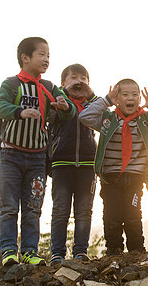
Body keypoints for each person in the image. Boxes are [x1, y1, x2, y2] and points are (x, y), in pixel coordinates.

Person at [0, 37, 76, 266]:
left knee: (33, 207)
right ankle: (9, 251)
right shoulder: (11, 84)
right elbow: (0, 106)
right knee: (9, 206)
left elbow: (69, 111)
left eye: (48, 55)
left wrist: (64, 106)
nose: (47, 59)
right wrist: (20, 112)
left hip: (38, 157)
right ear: (25, 57)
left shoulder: (49, 87)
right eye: (42, 54)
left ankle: (30, 251)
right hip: (10, 155)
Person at [79, 79, 148, 255]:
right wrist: (105, 100)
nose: (131, 98)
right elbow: (85, 116)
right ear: (117, 98)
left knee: (133, 214)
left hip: (135, 178)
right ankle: (114, 249)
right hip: (110, 177)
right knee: (112, 216)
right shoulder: (108, 119)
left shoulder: (146, 120)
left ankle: (137, 249)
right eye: (125, 94)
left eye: (135, 94)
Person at [49, 64, 98, 265]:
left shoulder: (92, 105)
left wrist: (91, 94)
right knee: (60, 210)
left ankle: (80, 251)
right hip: (61, 163)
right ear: (63, 83)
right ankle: (57, 253)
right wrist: (63, 97)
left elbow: (106, 116)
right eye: (73, 77)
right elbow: (50, 118)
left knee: (84, 210)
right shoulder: (57, 101)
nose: (79, 81)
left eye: (83, 78)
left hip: (88, 164)